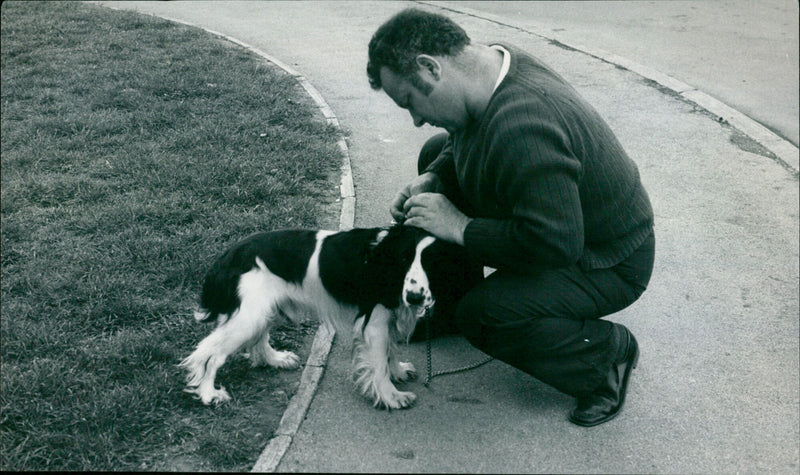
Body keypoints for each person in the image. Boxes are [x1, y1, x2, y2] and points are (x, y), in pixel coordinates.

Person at [366, 8, 655, 427]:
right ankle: (449, 304)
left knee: (485, 315)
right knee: (434, 154)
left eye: (410, 100)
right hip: (571, 230)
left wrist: (459, 227)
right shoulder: (490, 68)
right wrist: (434, 176)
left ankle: (603, 357)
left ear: (431, 68)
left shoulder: (525, 126)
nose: (414, 118)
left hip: (607, 260)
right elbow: (465, 135)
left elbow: (556, 243)